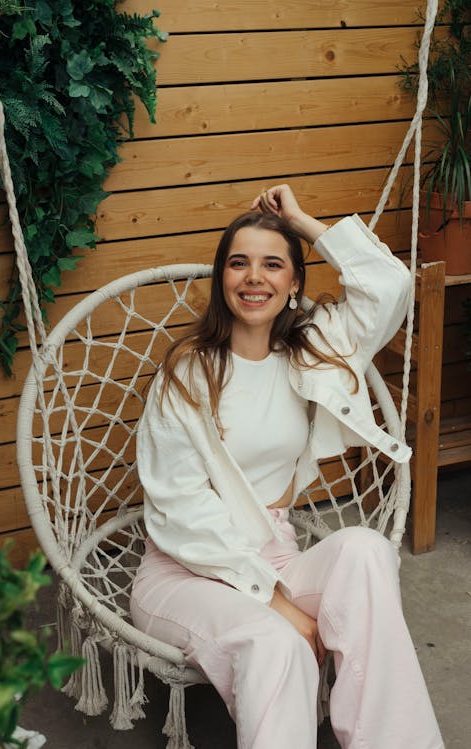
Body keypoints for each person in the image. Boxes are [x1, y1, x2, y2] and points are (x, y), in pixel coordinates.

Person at [130, 184, 444, 749]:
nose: (254, 278)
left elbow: (390, 285)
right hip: (186, 569)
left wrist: (300, 220)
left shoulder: (313, 348)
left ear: (294, 281)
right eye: (239, 264)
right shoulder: (186, 373)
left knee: (367, 551)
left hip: (274, 551)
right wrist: (278, 607)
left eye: (273, 264)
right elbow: (179, 512)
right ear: (222, 278)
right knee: (277, 642)